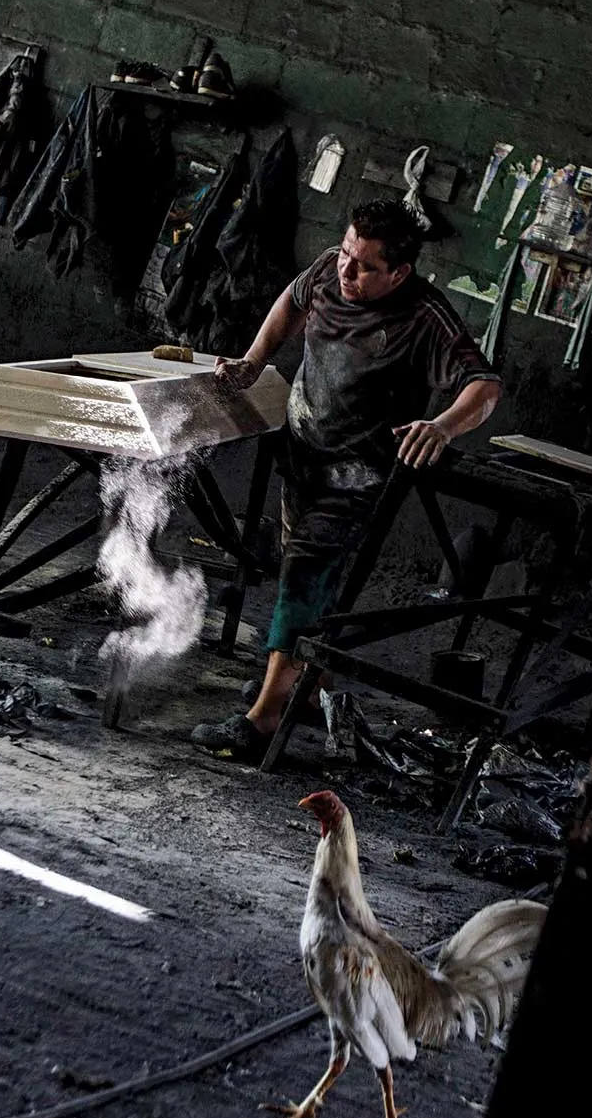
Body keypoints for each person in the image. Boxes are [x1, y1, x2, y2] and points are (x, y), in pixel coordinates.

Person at [190, 200, 502, 760]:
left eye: (364, 266)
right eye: (346, 254)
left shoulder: (424, 315)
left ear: (399, 273)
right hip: (302, 458)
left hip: (357, 479)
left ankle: (263, 722)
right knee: (304, 574)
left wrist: (443, 426)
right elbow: (292, 300)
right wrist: (254, 360)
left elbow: (485, 385)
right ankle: (311, 688)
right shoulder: (331, 268)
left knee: (304, 576)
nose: (346, 270)